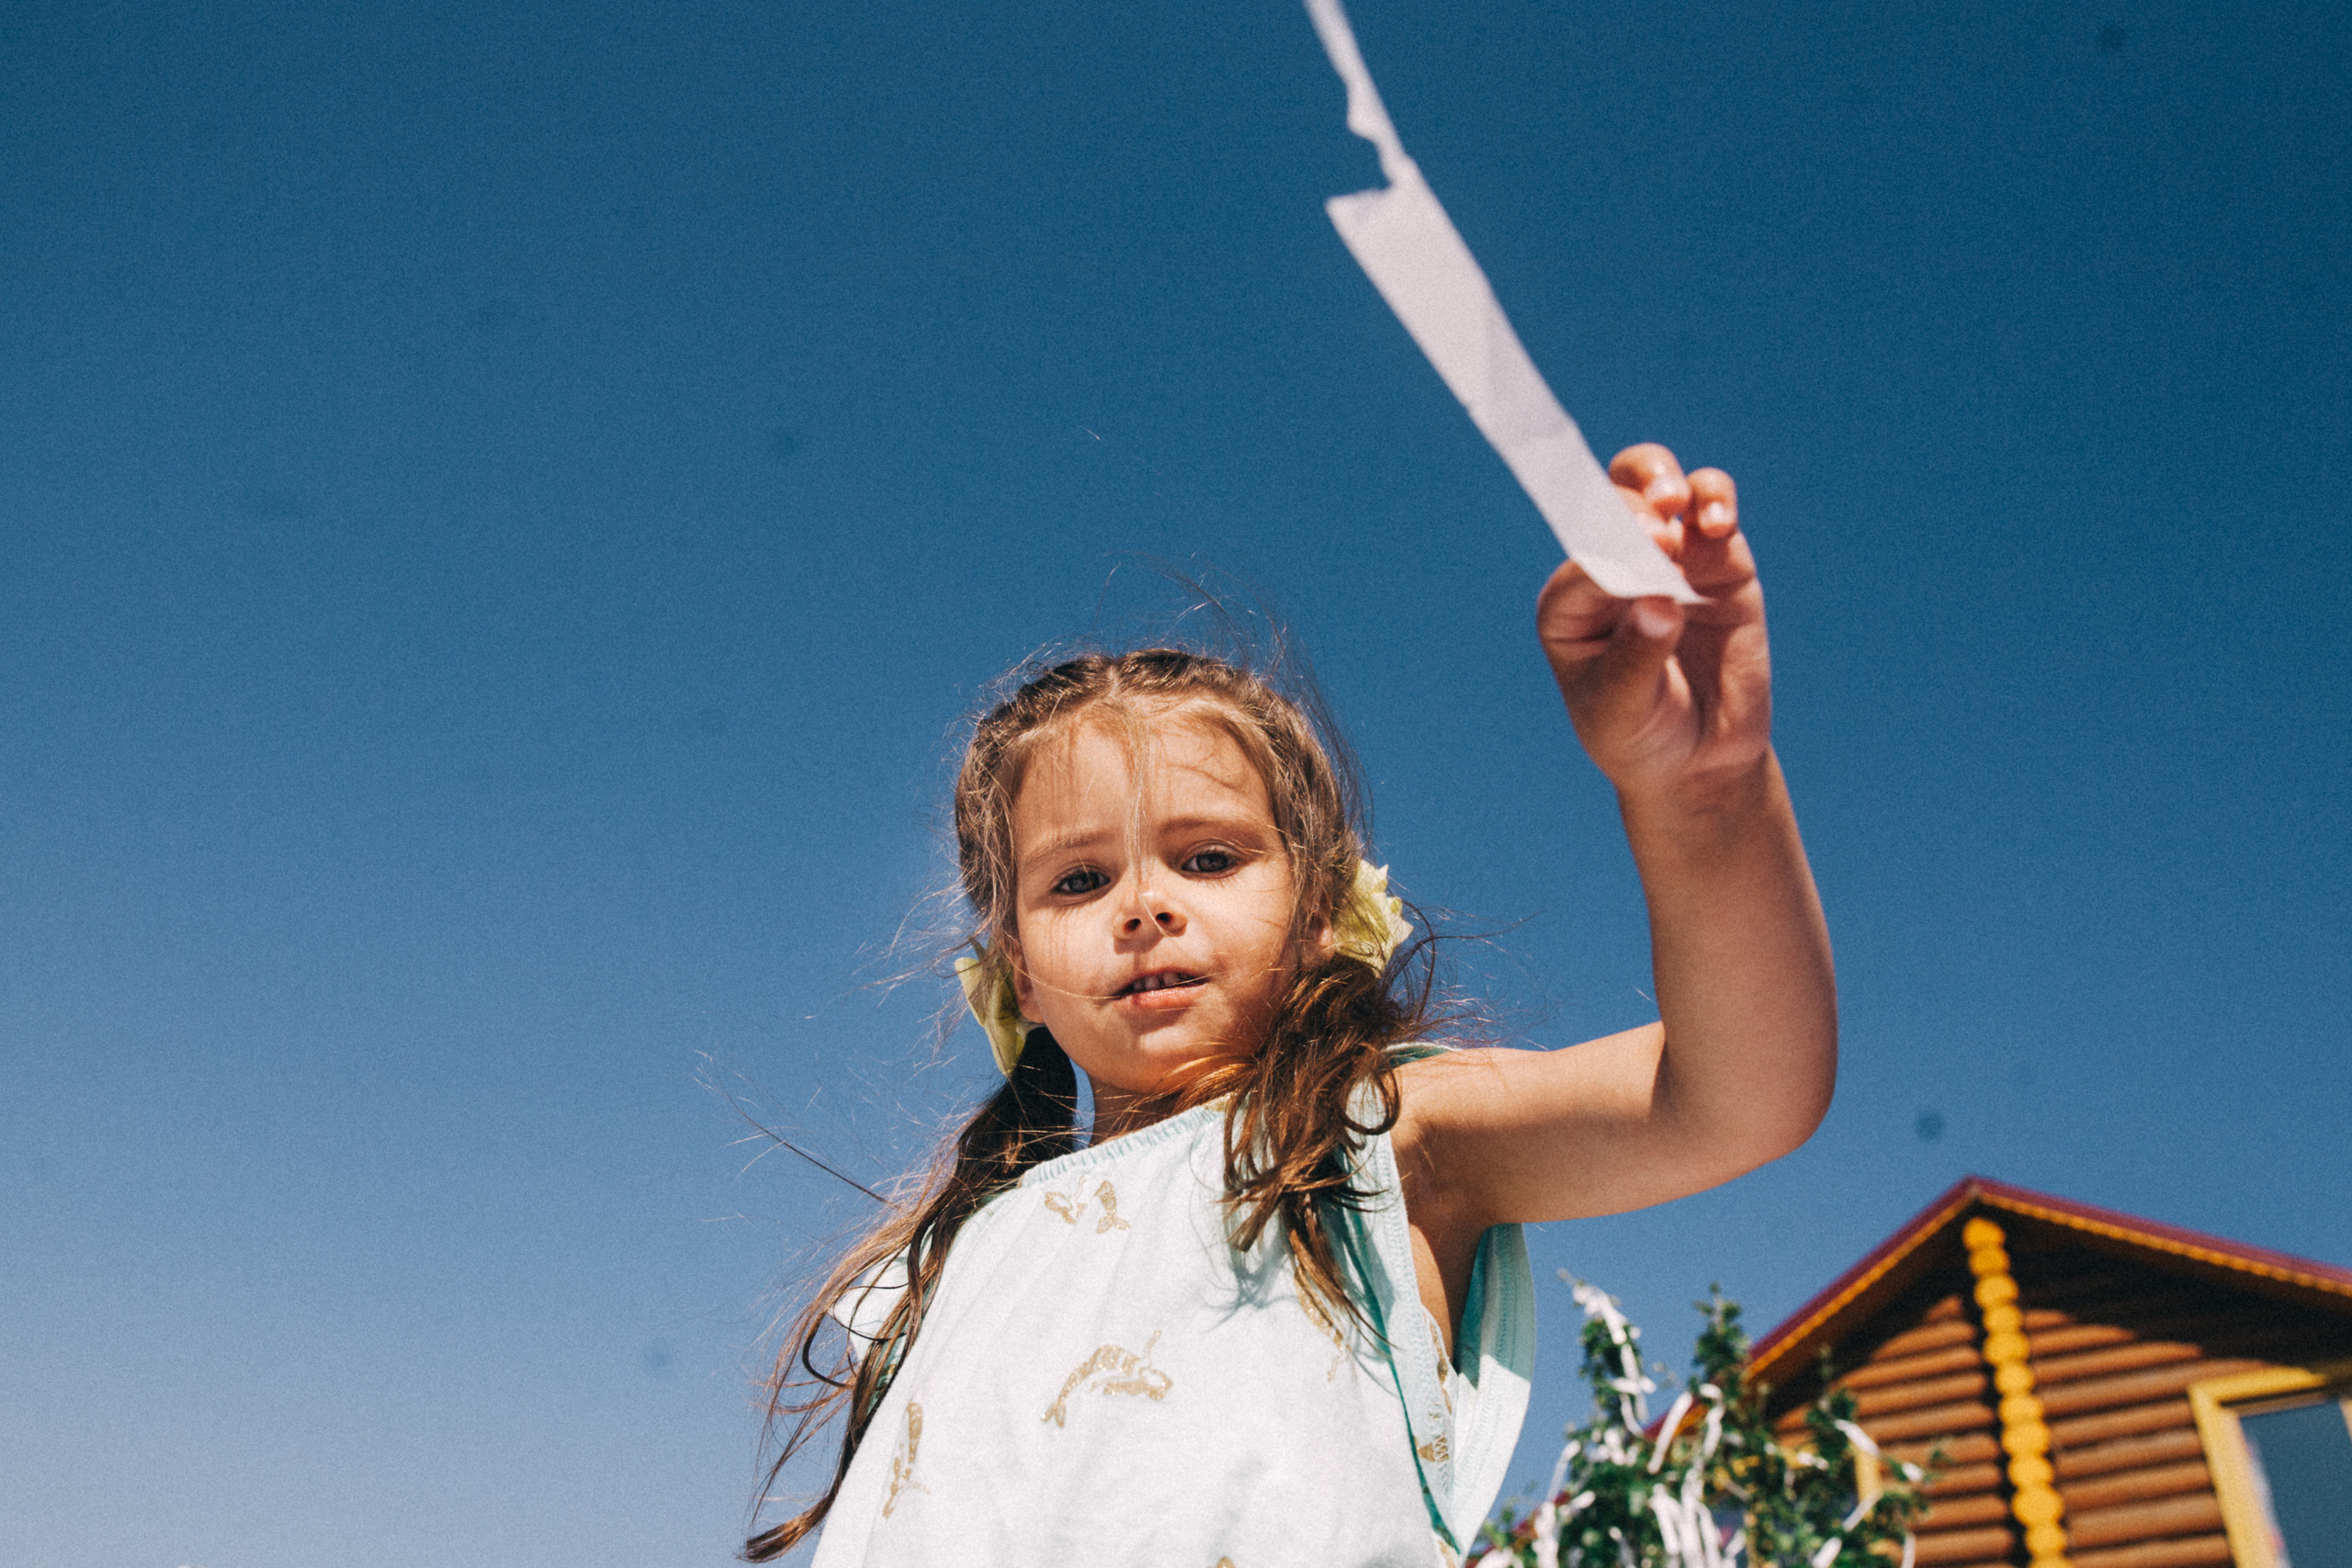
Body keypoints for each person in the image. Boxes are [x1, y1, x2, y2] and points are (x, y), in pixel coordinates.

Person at [745, 444, 1838, 1566]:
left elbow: (1738, 1092)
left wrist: (1703, 795)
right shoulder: (953, 1262)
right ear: (1016, 969)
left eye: (1208, 859)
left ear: (1319, 911)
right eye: (1078, 880)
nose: (1143, 908)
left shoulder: (1369, 1137)